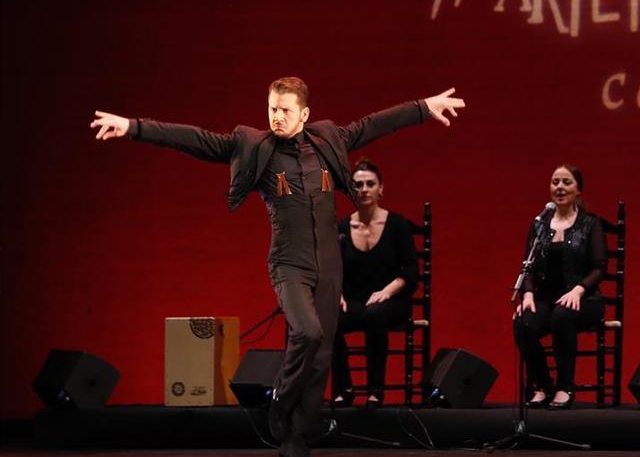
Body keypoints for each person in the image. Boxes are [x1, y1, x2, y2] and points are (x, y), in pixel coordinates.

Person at [90, 78, 465, 457]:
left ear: (304, 113)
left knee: (320, 358)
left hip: (330, 266)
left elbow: (374, 124)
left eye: (285, 110)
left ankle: (296, 438)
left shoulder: (328, 140)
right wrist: (132, 127)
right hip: (289, 263)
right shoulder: (254, 146)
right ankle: (280, 403)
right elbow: (195, 139)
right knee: (307, 332)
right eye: (272, 108)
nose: (277, 117)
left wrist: (422, 107)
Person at [513, 164, 607, 410]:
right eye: (555, 182)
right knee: (523, 321)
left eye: (566, 182)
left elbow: (600, 268)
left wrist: (578, 289)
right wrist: (528, 294)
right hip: (546, 299)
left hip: (584, 300)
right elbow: (528, 266)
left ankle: (565, 386)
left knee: (561, 316)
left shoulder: (590, 224)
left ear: (579, 190)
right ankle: (543, 385)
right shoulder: (539, 225)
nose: (560, 188)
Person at [331, 159, 418, 409]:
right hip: (355, 301)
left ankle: (375, 390)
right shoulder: (342, 228)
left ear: (381, 189)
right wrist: (337, 294)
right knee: (328, 317)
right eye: (358, 185)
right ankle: (343, 387)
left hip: (391, 302)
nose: (364, 189)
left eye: (370, 184)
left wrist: (386, 291)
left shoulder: (397, 225)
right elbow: (332, 269)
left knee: (375, 315)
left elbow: (411, 271)